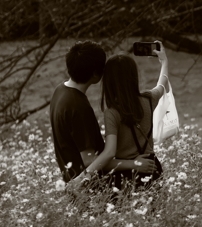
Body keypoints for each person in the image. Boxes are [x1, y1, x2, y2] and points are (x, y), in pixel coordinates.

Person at [67, 43, 169, 192]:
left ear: (108, 81)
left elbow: (109, 153)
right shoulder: (149, 99)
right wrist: (164, 61)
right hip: (152, 167)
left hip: (127, 173)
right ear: (134, 77)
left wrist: (83, 177)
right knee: (155, 212)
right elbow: (162, 83)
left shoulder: (112, 113)